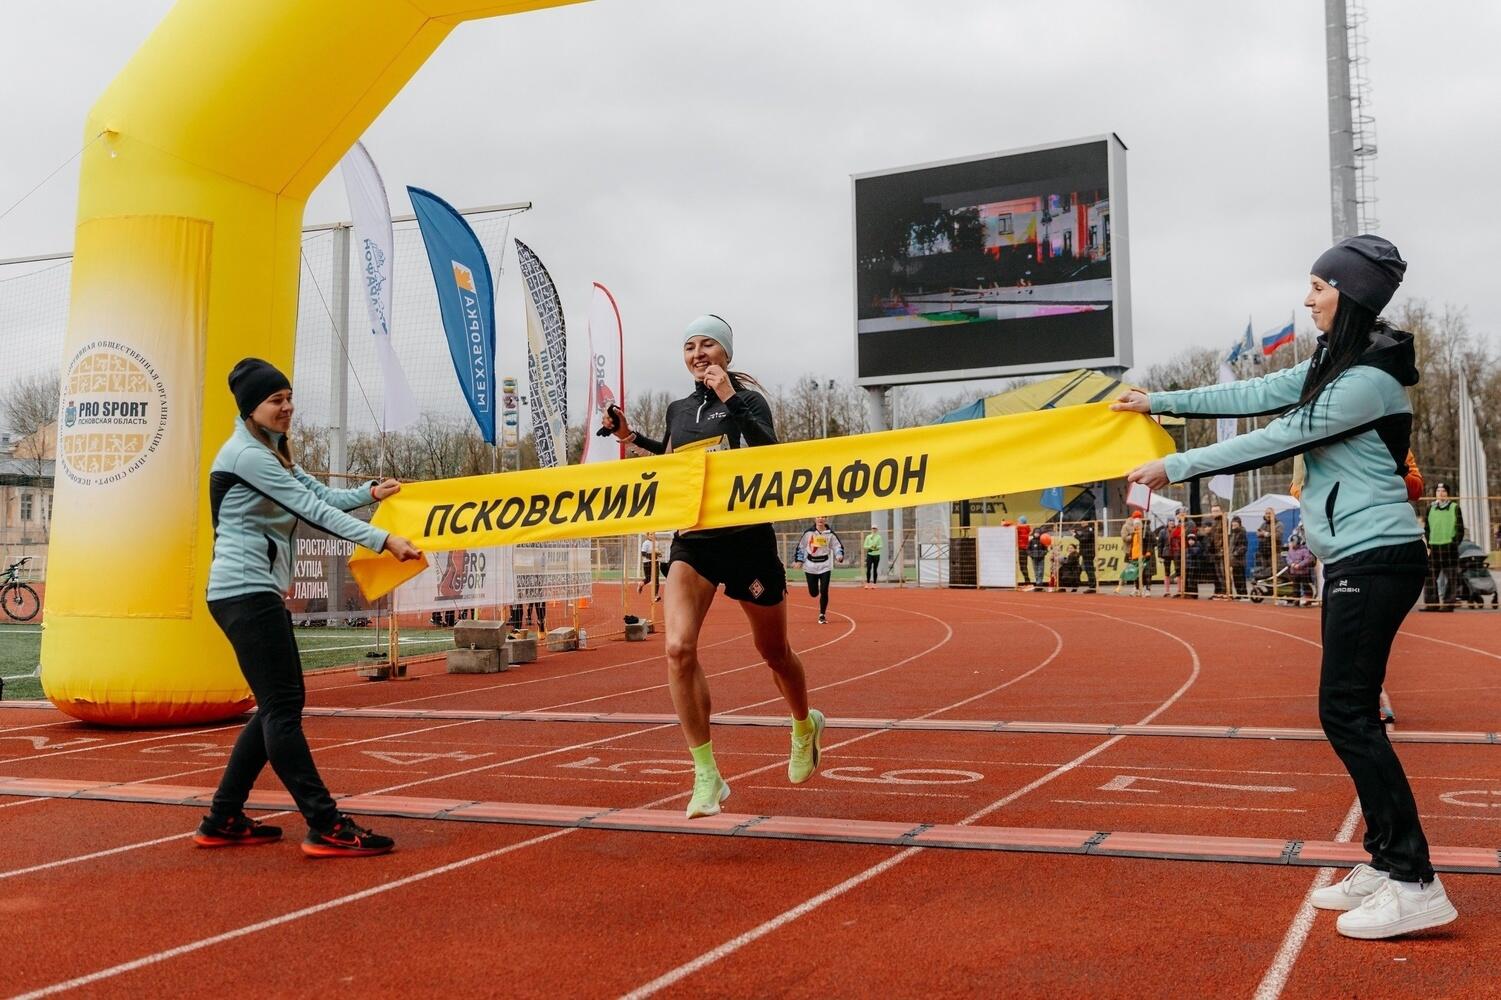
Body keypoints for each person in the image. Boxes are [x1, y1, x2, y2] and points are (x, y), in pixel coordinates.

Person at [1114, 234, 1457, 939]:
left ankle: (1415, 880)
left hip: (1376, 557)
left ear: (1350, 294)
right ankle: (1387, 864)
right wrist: (1157, 400)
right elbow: (1253, 392)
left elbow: (1278, 433)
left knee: (1347, 714)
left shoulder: (1366, 381)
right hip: (1357, 557)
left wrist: (1173, 468)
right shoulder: (1336, 363)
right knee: (1347, 713)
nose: (1305, 300)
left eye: (1317, 286)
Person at [601, 315, 824, 818]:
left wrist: (729, 395)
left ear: (725, 352)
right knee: (678, 648)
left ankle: (803, 724)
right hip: (695, 542)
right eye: (689, 346)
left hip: (747, 541)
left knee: (773, 653)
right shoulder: (678, 407)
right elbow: (675, 461)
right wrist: (631, 436)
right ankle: (706, 774)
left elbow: (768, 453)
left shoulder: (747, 399)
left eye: (707, 345)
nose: (698, 353)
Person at [197, 358, 422, 857]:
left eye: (289, 397)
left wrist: (368, 494)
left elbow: (318, 494)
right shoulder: (245, 456)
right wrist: (384, 539)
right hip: (243, 591)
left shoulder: (272, 451)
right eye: (276, 400)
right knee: (283, 708)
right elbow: (313, 511)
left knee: (275, 706)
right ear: (251, 408)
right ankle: (325, 824)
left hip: (251, 591)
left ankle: (223, 817)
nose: (288, 407)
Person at [1422, 483, 1464, 611]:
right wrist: (1428, 543)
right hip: (1434, 547)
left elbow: (1460, 528)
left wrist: (1454, 543)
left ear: (1448, 493)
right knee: (1429, 577)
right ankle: (1431, 604)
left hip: (1449, 547)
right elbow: (1427, 528)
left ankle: (1448, 604)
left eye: (1444, 491)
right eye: (1438, 491)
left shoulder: (1454, 507)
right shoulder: (1430, 508)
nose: (1441, 493)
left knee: (1451, 578)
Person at [796, 515, 845, 624]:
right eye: (818, 517)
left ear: (826, 519)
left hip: (825, 565)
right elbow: (801, 547)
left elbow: (837, 546)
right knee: (813, 593)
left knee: (824, 590)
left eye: (823, 517)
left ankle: (822, 615)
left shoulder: (830, 534)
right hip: (810, 566)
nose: (821, 519)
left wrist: (839, 555)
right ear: (815, 519)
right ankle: (814, 590)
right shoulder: (808, 533)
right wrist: (799, 560)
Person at [1228, 514, 1249, 598]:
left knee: (1240, 577)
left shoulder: (1242, 533)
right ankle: (1239, 593)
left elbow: (1243, 547)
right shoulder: (1232, 534)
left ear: (1239, 524)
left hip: (1239, 560)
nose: (1233, 525)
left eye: (1235, 524)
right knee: (1236, 578)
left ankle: (1243, 594)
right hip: (1233, 560)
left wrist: (1235, 553)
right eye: (1233, 524)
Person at [1074, 519, 1097, 591]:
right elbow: (1082, 538)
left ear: (1087, 522)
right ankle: (1091, 584)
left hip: (1088, 552)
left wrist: (1076, 535)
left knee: (1089, 568)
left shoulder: (1089, 529)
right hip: (1085, 552)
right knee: (1087, 568)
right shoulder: (1085, 529)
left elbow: (1084, 539)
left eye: (1084, 521)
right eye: (1081, 521)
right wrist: (1076, 534)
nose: (1082, 523)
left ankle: (1092, 585)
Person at [639, 533, 662, 601]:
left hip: (655, 562)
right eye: (650, 534)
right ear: (647, 535)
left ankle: (656, 595)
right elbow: (643, 553)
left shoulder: (657, 543)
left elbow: (658, 552)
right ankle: (641, 584)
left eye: (653, 534)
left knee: (656, 578)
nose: (652, 536)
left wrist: (659, 554)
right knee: (648, 579)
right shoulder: (645, 543)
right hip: (647, 562)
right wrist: (651, 555)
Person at [1026, 524, 1048, 590]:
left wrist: (1042, 554)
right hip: (1034, 558)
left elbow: (1046, 549)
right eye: (1036, 533)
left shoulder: (1042, 540)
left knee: (1040, 571)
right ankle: (1038, 583)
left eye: (1038, 533)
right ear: (1033, 533)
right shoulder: (1031, 541)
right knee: (1036, 571)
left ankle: (1039, 583)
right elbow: (1028, 549)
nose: (1037, 534)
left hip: (1041, 558)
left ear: (1040, 533)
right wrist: (1031, 555)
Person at [1015, 515, 1032, 587]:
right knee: (1024, 565)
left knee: (1023, 566)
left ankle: (1027, 582)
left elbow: (1012, 527)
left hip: (1022, 548)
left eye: (1018, 521)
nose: (1017, 522)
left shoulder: (1020, 527)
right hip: (1025, 548)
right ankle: (1027, 581)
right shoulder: (1027, 528)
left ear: (1021, 522)